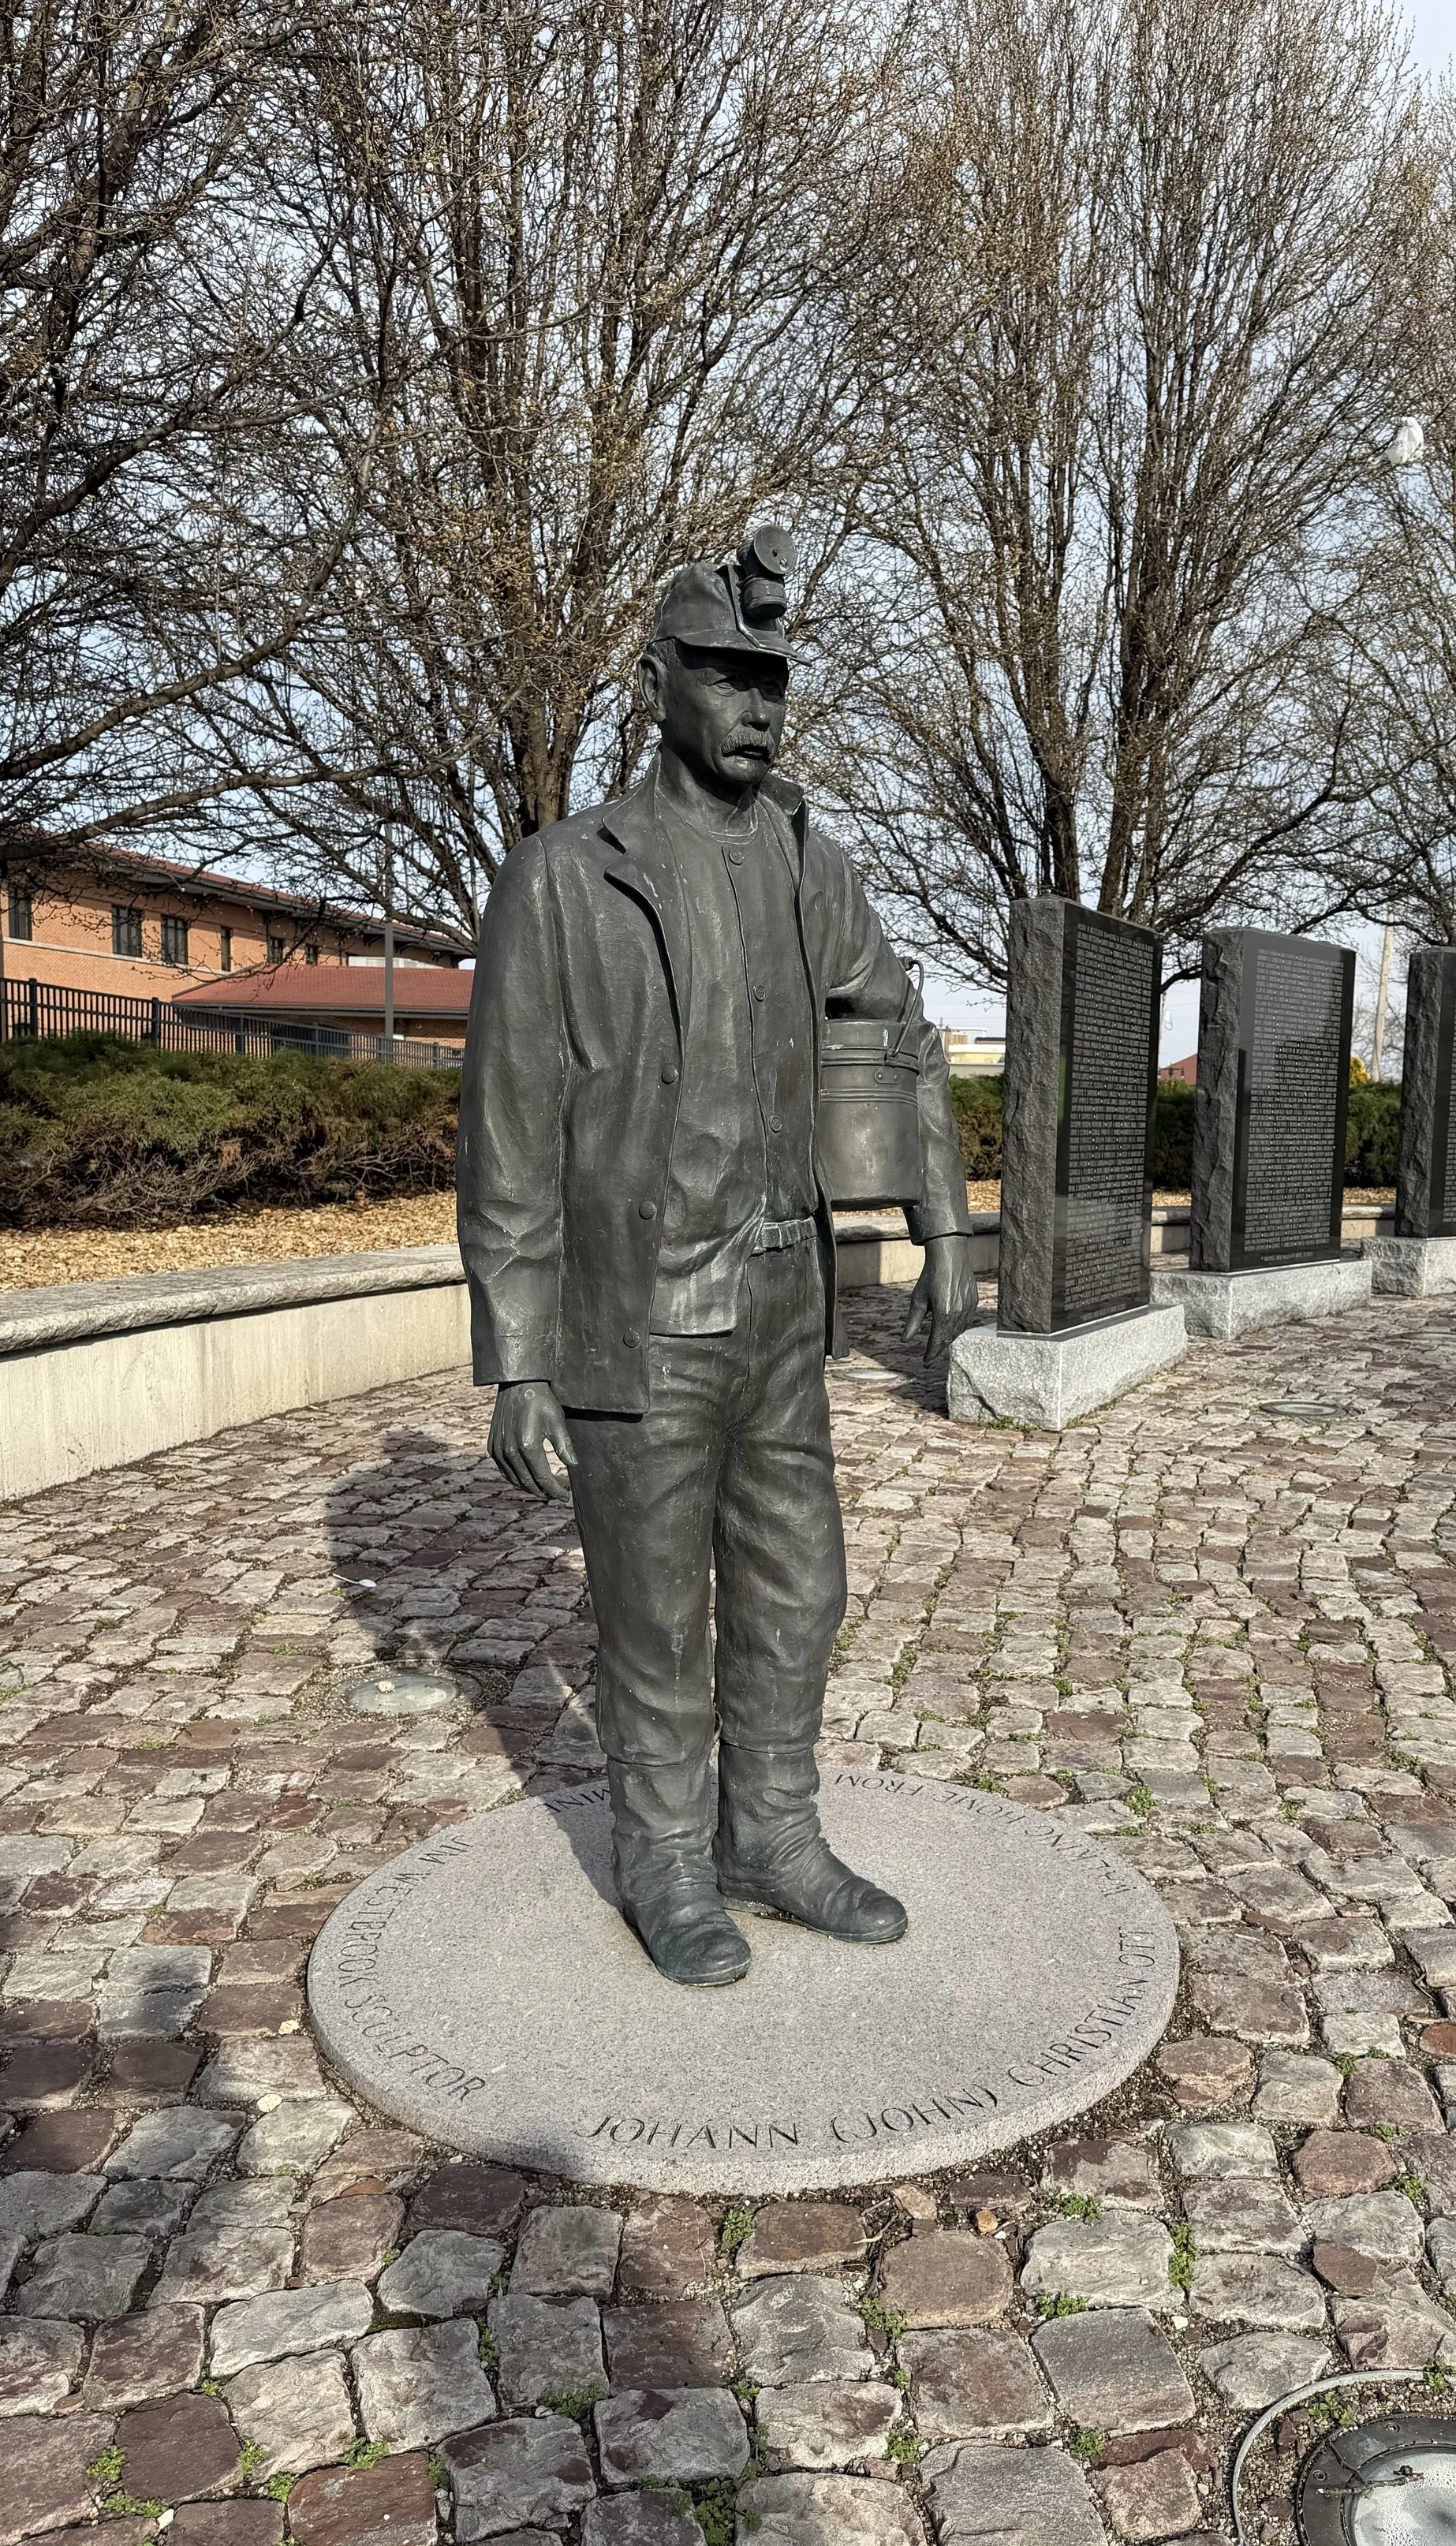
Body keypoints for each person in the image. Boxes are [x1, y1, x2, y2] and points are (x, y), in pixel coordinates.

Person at [456, 522, 980, 1987]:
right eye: (728, 677)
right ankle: (669, 1861)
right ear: (658, 684)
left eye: (775, 682)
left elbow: (896, 1036)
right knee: (651, 1612)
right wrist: (520, 1358)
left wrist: (943, 1218)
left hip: (781, 1305)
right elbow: (509, 1132)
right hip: (642, 1316)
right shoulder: (565, 879)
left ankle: (774, 1834)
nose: (757, 707)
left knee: (797, 1587)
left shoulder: (812, 862)